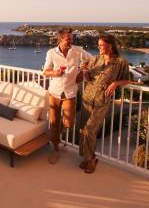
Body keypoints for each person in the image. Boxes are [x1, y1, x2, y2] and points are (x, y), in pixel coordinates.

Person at [78, 34, 131, 173]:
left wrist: (115, 83)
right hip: (88, 96)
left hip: (102, 100)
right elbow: (88, 78)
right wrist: (84, 70)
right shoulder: (95, 59)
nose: (99, 47)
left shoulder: (120, 62)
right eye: (99, 45)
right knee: (83, 128)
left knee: (90, 129)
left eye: (101, 45)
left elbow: (127, 80)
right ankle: (87, 157)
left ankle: (91, 160)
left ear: (110, 46)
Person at [43, 28, 92, 164]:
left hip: (70, 91)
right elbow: (45, 72)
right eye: (68, 38)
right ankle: (56, 147)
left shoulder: (77, 50)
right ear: (61, 39)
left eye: (71, 38)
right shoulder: (52, 53)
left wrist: (83, 69)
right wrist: (55, 73)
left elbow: (91, 59)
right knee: (54, 121)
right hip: (54, 91)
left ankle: (57, 136)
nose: (71, 40)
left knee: (69, 121)